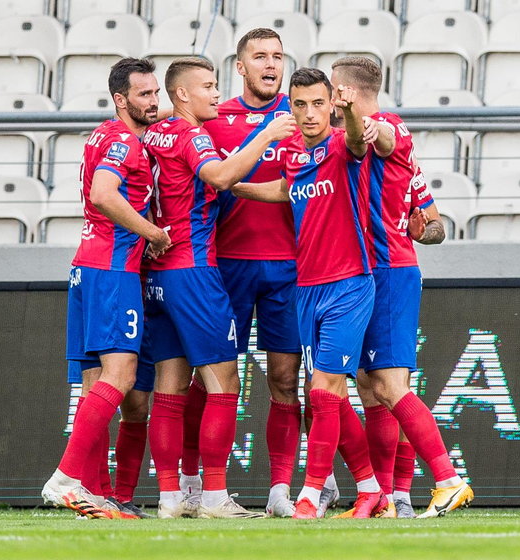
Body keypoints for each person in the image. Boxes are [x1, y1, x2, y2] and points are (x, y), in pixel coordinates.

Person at [142, 57, 297, 519]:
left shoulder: (153, 134)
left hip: (157, 273)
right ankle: (213, 496)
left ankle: (172, 498)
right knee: (224, 383)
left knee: (170, 388)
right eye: (208, 87)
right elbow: (221, 177)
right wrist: (266, 135)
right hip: (194, 269)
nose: (217, 94)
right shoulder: (193, 135)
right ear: (182, 95)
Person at [232, 68, 386, 519]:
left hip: (349, 284)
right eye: (299, 105)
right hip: (307, 289)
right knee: (331, 396)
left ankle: (308, 495)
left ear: (331, 104)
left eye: (318, 104)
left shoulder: (343, 144)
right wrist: (235, 185)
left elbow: (360, 140)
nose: (308, 113)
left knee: (321, 393)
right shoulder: (292, 151)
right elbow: (287, 189)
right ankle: (371, 487)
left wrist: (352, 111)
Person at [330, 55, 473, 519]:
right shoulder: (344, 145)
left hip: (389, 271)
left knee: (391, 386)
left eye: (334, 90)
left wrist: (420, 229)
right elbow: (432, 224)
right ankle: (387, 497)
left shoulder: (390, 130)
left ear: (346, 91)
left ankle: (446, 480)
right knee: (372, 389)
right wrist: (419, 227)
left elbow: (436, 225)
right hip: (361, 272)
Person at [41, 57, 171, 519]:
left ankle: (92, 491)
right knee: (123, 376)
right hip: (112, 271)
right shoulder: (122, 141)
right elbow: (103, 193)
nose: (154, 101)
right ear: (122, 99)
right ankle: (66, 477)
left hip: (85, 267)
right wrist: (153, 233)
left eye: (156, 92)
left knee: (96, 383)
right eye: (144, 94)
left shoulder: (102, 133)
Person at [184, 27, 303, 518]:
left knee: (284, 378)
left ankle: (280, 490)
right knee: (207, 379)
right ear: (241, 66)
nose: (271, 65)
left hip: (289, 268)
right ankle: (195, 484)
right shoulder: (214, 118)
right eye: (260, 56)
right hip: (224, 267)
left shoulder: (302, 117)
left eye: (278, 56)